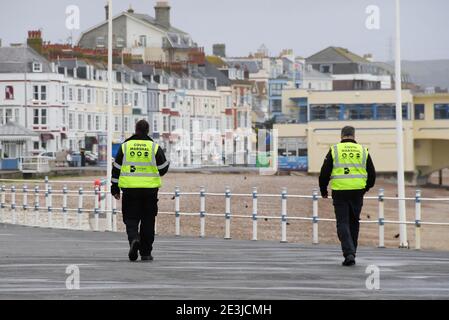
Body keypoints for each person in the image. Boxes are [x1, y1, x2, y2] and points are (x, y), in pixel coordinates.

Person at [111, 119, 169, 262]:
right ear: (147, 130)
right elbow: (162, 169)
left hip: (130, 190)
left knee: (130, 219)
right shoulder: (154, 147)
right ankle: (146, 253)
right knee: (148, 221)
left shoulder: (125, 147)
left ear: (136, 129)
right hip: (150, 191)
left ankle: (134, 239)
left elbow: (116, 168)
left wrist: (114, 188)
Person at [319, 126, 376, 266]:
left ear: (342, 135)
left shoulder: (335, 150)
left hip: (340, 191)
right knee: (354, 222)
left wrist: (323, 190)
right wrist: (365, 188)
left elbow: (324, 172)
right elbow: (372, 174)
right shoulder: (363, 150)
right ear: (354, 135)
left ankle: (349, 253)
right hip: (358, 191)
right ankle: (352, 252)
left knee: (342, 222)